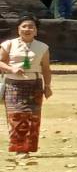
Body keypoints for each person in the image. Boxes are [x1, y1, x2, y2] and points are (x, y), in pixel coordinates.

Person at [1, 17, 51, 155]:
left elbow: (46, 68)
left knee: (33, 116)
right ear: (18, 29)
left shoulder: (42, 47)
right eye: (24, 26)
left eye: (31, 27)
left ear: (36, 31)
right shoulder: (8, 44)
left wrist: (47, 86)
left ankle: (29, 148)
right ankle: (19, 149)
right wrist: (12, 69)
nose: (27, 29)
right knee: (17, 115)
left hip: (34, 84)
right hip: (13, 84)